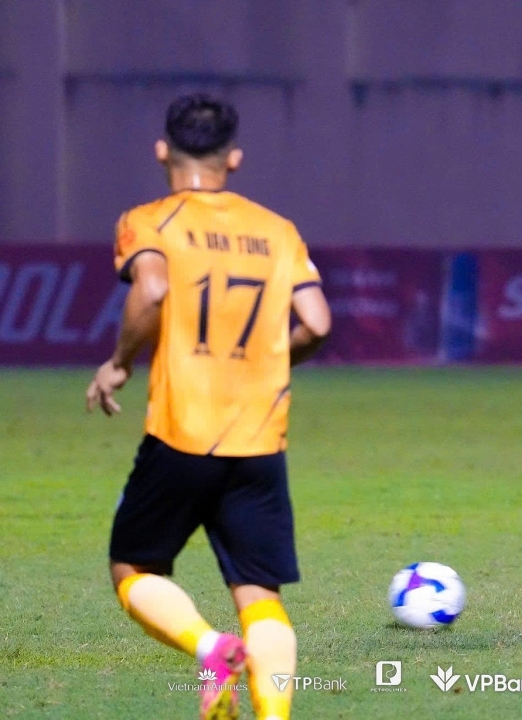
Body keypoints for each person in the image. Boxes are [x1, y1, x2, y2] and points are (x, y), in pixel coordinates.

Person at [86, 94, 331, 720]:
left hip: (182, 432)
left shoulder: (149, 221)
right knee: (260, 594)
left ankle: (210, 647)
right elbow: (317, 322)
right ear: (235, 159)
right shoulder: (277, 230)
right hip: (260, 440)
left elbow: (152, 288)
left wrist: (120, 362)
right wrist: (268, 361)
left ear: (162, 151)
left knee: (133, 567)